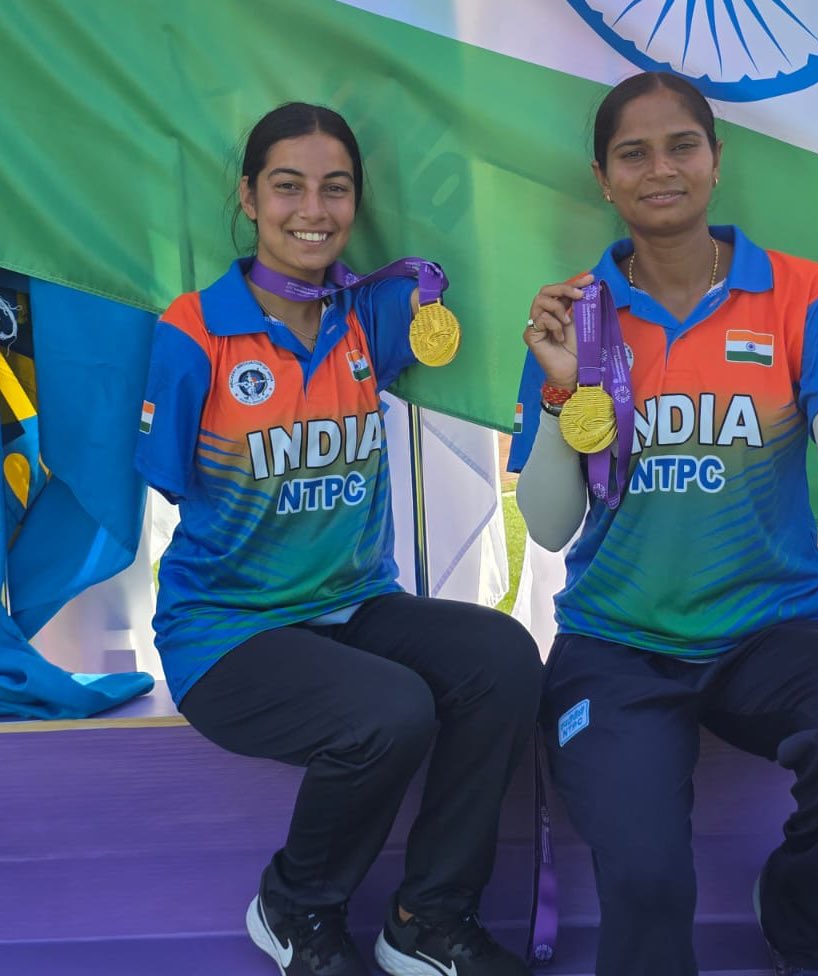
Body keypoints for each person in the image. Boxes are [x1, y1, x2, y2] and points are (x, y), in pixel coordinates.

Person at [509, 73, 818, 976]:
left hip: (771, 633)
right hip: (615, 648)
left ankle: (799, 922)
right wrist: (559, 391)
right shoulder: (576, 313)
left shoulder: (800, 295)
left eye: (681, 146)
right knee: (646, 885)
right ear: (602, 178)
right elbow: (549, 528)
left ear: (716, 159)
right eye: (633, 154)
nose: (659, 169)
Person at [136, 103, 541, 976]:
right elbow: (169, 477)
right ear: (248, 198)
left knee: (503, 658)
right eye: (287, 187)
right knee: (390, 710)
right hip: (228, 632)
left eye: (336, 188)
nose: (312, 210)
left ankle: (427, 918)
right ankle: (295, 906)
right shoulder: (194, 332)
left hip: (355, 606)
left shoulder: (369, 315)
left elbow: (470, 262)